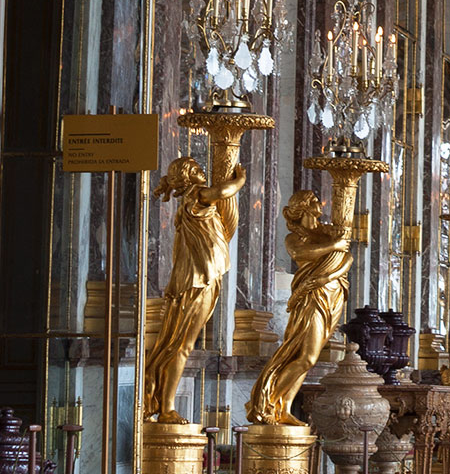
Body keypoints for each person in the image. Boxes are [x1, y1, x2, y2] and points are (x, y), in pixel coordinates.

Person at [143, 152, 247, 421]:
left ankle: (165, 404)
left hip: (202, 280)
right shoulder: (197, 196)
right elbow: (224, 190)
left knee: (181, 345)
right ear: (189, 176)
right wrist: (240, 179)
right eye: (196, 168)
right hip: (196, 283)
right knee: (181, 346)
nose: (202, 170)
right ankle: (166, 408)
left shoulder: (195, 200)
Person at [250, 190, 355, 425]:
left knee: (310, 357)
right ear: (304, 208)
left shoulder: (328, 232)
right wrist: (334, 247)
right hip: (311, 296)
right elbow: (300, 253)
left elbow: (347, 257)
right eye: (315, 201)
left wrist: (328, 276)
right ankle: (267, 403)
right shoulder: (296, 236)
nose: (321, 204)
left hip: (332, 292)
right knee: (304, 356)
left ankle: (284, 409)